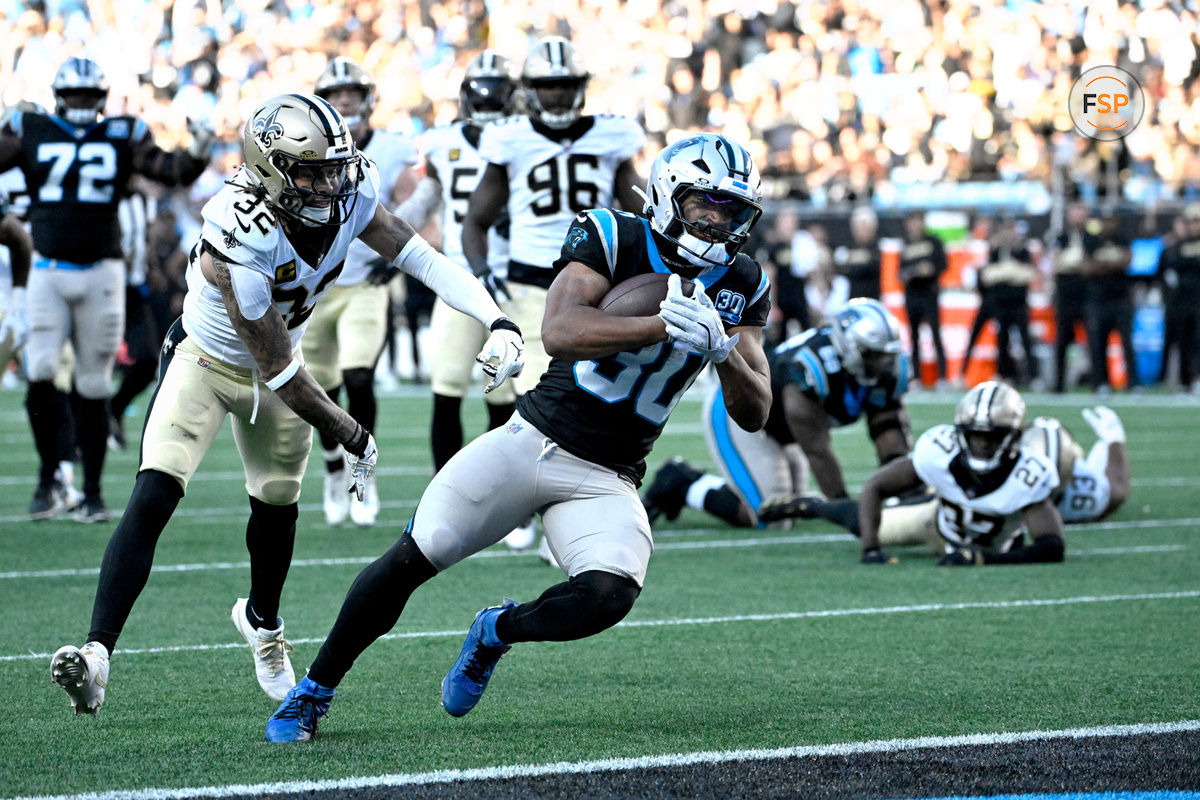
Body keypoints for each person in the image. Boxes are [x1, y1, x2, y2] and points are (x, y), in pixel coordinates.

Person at [262, 132, 771, 743]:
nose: (717, 222)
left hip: (609, 474)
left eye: (731, 210)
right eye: (704, 204)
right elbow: (559, 331)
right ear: (667, 195)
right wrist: (656, 324)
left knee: (609, 595)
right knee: (414, 556)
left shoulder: (743, 280)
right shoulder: (613, 235)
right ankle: (311, 692)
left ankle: (496, 630)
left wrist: (724, 354)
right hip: (533, 439)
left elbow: (756, 410)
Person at [49, 93, 524, 717]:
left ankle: (263, 625)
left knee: (275, 510)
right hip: (209, 362)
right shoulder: (238, 229)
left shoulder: (349, 194)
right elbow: (278, 369)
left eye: (336, 167)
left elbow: (418, 255)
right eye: (312, 171)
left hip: (283, 371)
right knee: (156, 490)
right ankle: (98, 653)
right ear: (270, 170)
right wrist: (352, 431)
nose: (331, 183)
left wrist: (498, 319)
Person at [0, 58, 212, 522]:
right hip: (47, 268)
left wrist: (196, 148)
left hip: (102, 271)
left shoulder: (122, 134)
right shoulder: (30, 128)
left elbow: (168, 168)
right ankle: (49, 475)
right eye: (73, 96)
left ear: (99, 99)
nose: (80, 104)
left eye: (87, 96)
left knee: (93, 385)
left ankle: (92, 493)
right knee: (38, 372)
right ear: (59, 97)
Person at [461, 35, 645, 551]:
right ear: (531, 90)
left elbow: (643, 208)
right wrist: (480, 268)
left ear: (581, 87)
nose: (559, 96)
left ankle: (564, 511)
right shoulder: (511, 137)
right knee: (547, 400)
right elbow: (476, 219)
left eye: (566, 85)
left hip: (596, 286)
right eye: (548, 85)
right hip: (528, 285)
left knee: (595, 401)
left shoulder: (613, 135)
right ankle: (538, 512)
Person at [643, 298, 911, 529]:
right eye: (873, 355)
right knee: (768, 515)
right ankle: (682, 482)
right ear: (848, 346)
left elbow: (888, 430)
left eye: (886, 355)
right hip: (739, 412)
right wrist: (844, 509)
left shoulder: (887, 373)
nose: (882, 364)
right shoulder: (809, 369)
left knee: (791, 509)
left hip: (784, 429)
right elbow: (817, 450)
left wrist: (906, 493)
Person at [305, 57, 420, 527]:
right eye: (334, 94)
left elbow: (419, 209)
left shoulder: (392, 148)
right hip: (314, 290)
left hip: (365, 286)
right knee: (322, 390)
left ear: (368, 97)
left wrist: (395, 262)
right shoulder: (302, 149)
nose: (344, 100)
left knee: (359, 378)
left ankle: (360, 470)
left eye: (351, 91)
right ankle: (334, 467)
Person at [758, 406, 1130, 550]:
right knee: (876, 519)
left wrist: (1114, 440)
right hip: (943, 510)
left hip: (970, 530)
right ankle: (817, 507)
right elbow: (880, 483)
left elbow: (1115, 491)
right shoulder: (987, 450)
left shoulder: (1066, 490)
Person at [394, 50, 520, 473]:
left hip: (512, 279)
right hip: (458, 280)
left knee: (507, 397)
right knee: (446, 388)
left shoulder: (527, 138)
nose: (487, 102)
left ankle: (510, 504)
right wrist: (385, 235)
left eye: (495, 93)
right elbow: (426, 199)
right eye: (481, 94)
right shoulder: (442, 140)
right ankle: (443, 498)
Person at [853, 381, 1065, 566]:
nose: (981, 444)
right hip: (934, 525)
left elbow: (1052, 546)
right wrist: (871, 550)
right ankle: (819, 506)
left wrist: (982, 559)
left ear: (1013, 438)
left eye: (992, 437)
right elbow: (875, 486)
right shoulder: (939, 450)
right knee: (861, 521)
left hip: (991, 543)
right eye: (975, 435)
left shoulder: (1027, 475)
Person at [961, 217, 1037, 387]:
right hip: (999, 304)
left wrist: (1003, 273)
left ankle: (1032, 376)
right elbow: (986, 276)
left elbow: (1028, 275)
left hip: (1018, 304)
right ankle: (1002, 374)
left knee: (1026, 340)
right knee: (1001, 340)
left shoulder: (1022, 251)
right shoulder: (994, 251)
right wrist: (1011, 272)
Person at [1082, 212, 1133, 394]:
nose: (1109, 225)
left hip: (1121, 299)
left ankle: (1133, 383)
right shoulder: (1091, 240)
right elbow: (1087, 267)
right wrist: (1111, 262)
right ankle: (1100, 382)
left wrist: (1103, 263)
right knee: (1097, 343)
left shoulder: (1123, 239)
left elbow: (1127, 260)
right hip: (1098, 299)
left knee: (1127, 342)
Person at [898, 210, 947, 388]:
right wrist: (917, 270)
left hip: (929, 294)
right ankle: (916, 377)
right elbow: (901, 273)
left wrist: (924, 270)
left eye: (917, 221)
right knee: (914, 337)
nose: (915, 225)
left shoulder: (933, 241)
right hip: (912, 295)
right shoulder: (906, 244)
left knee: (936, 334)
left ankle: (942, 377)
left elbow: (941, 265)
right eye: (912, 221)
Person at [1049, 200, 1091, 393]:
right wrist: (1073, 261)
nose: (1077, 216)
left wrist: (1075, 262)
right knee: (1062, 341)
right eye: (1074, 211)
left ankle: (1097, 382)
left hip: (1087, 294)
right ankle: (1058, 383)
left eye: (1080, 211)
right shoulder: (1061, 236)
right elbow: (1054, 262)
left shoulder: (1091, 237)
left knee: (1093, 339)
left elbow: (1092, 264)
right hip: (1065, 295)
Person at [832, 206, 881, 301]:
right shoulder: (845, 247)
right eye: (860, 227)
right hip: (851, 300)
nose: (863, 231)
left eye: (866, 227)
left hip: (875, 299)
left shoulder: (879, 247)